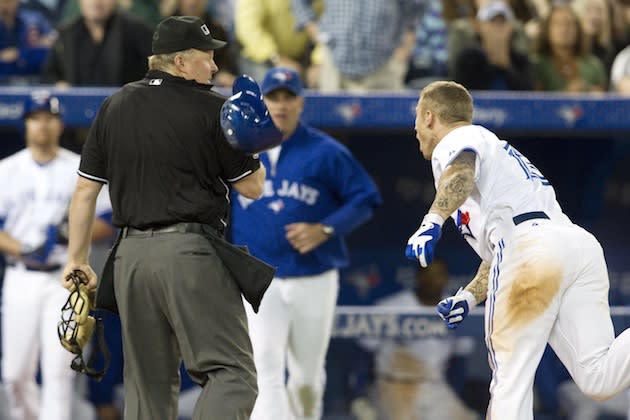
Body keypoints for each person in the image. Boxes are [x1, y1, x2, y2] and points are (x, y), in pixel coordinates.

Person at [60, 15, 274, 420]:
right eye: (207, 57)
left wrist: (77, 259)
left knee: (146, 389)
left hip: (130, 261)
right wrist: (255, 143)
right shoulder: (215, 107)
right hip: (189, 253)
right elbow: (252, 187)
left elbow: (85, 191)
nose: (214, 66)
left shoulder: (115, 104)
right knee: (231, 374)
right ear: (179, 62)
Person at [405, 80, 630, 419]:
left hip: (531, 247)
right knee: (598, 376)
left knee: (511, 379)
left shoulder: (457, 139)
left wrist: (432, 220)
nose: (416, 131)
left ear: (429, 117)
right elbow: (502, 248)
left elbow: (462, 170)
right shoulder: (495, 150)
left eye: (417, 120)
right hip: (573, 246)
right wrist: (468, 296)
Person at [229, 67, 382, 420]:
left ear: (301, 102)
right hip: (259, 277)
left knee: (306, 379)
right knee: (264, 370)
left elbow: (366, 198)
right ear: (262, 102)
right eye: (273, 97)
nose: (280, 105)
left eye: (288, 97)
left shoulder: (326, 151)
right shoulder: (240, 149)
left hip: (313, 276)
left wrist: (325, 229)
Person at [0, 91, 112, 420]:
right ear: (26, 125)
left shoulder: (79, 167)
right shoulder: (7, 170)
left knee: (59, 375)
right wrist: (22, 248)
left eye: (49, 117)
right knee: (14, 375)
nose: (43, 125)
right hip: (22, 276)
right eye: (36, 118)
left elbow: (108, 220)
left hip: (66, 281)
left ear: (60, 124)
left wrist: (72, 233)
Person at [358, 260, 478, 420]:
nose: (432, 280)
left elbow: (459, 360)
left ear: (446, 279)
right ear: (418, 277)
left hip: (434, 385)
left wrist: (454, 394)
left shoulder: (456, 310)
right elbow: (364, 353)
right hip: (393, 384)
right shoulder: (391, 307)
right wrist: (359, 395)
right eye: (427, 275)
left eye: (438, 275)